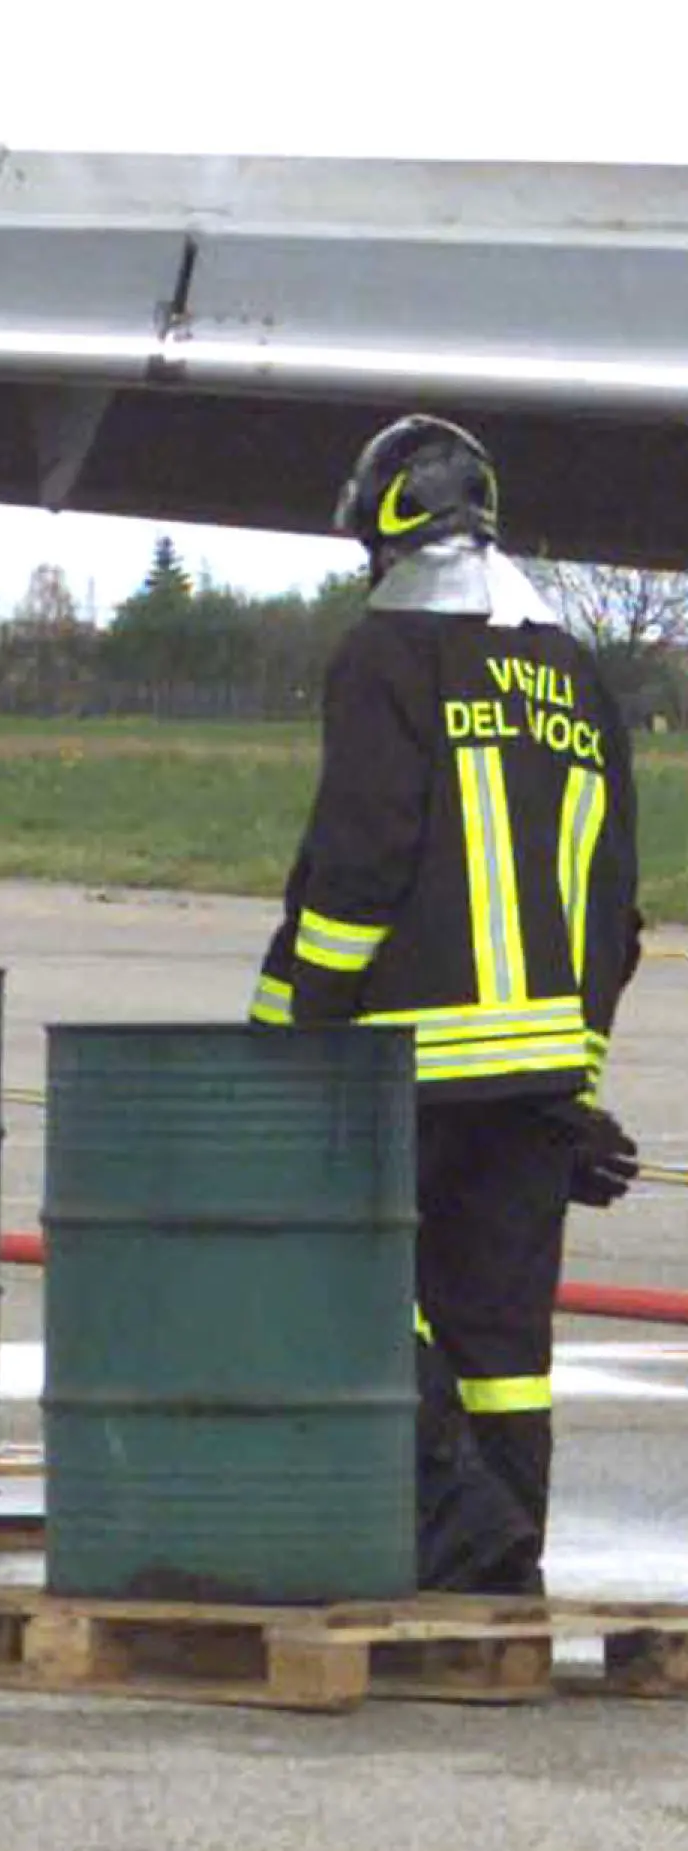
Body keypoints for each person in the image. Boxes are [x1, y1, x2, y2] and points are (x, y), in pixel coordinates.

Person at [248, 414, 645, 1593]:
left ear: (388, 521)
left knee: (343, 1280)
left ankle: (459, 1523)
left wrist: (293, 1030)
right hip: (537, 1075)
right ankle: (503, 1569)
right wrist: (572, 1084)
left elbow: (358, 869)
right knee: (505, 1341)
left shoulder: (384, 658)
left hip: (403, 1063)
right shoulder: (577, 677)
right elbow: (610, 907)